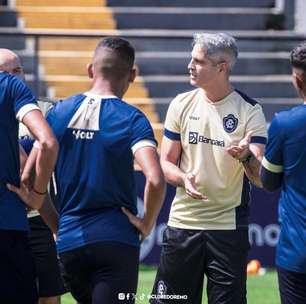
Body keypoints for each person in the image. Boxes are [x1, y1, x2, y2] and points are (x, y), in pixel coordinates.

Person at [45, 37, 166, 304]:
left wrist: (57, 226)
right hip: (116, 241)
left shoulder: (58, 113)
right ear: (132, 75)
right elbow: (156, 180)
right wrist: (147, 224)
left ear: (90, 70)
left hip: (69, 244)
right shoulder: (133, 119)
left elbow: (34, 182)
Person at [150, 33, 267, 304]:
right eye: (191, 59)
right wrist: (182, 178)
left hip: (228, 229)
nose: (190, 65)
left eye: (199, 61)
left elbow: (259, 178)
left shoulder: (250, 111)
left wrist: (246, 156)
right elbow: (165, 163)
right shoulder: (181, 103)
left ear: (222, 67)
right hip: (183, 224)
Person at [1, 49, 66, 304]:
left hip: (38, 215)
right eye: (7, 72)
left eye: (18, 70)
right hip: (10, 215)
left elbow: (49, 144)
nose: (15, 77)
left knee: (50, 294)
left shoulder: (42, 110)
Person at [260, 42, 306, 303]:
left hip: (297, 252)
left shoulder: (284, 123)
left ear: (296, 80)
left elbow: (268, 182)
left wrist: (249, 157)